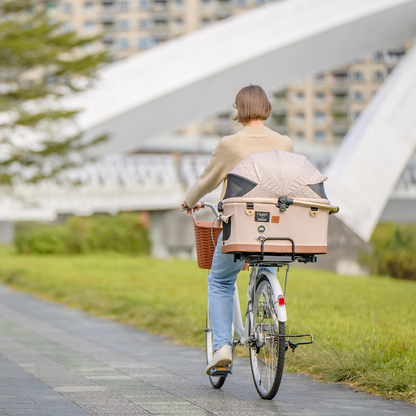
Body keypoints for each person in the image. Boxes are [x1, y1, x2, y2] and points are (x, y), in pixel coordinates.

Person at [182, 85, 294, 375]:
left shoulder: (230, 145)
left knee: (219, 280)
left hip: (242, 229)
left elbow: (207, 181)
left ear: (239, 109)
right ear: (266, 108)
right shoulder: (285, 143)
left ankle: (222, 346)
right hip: (281, 231)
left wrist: (189, 201)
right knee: (257, 263)